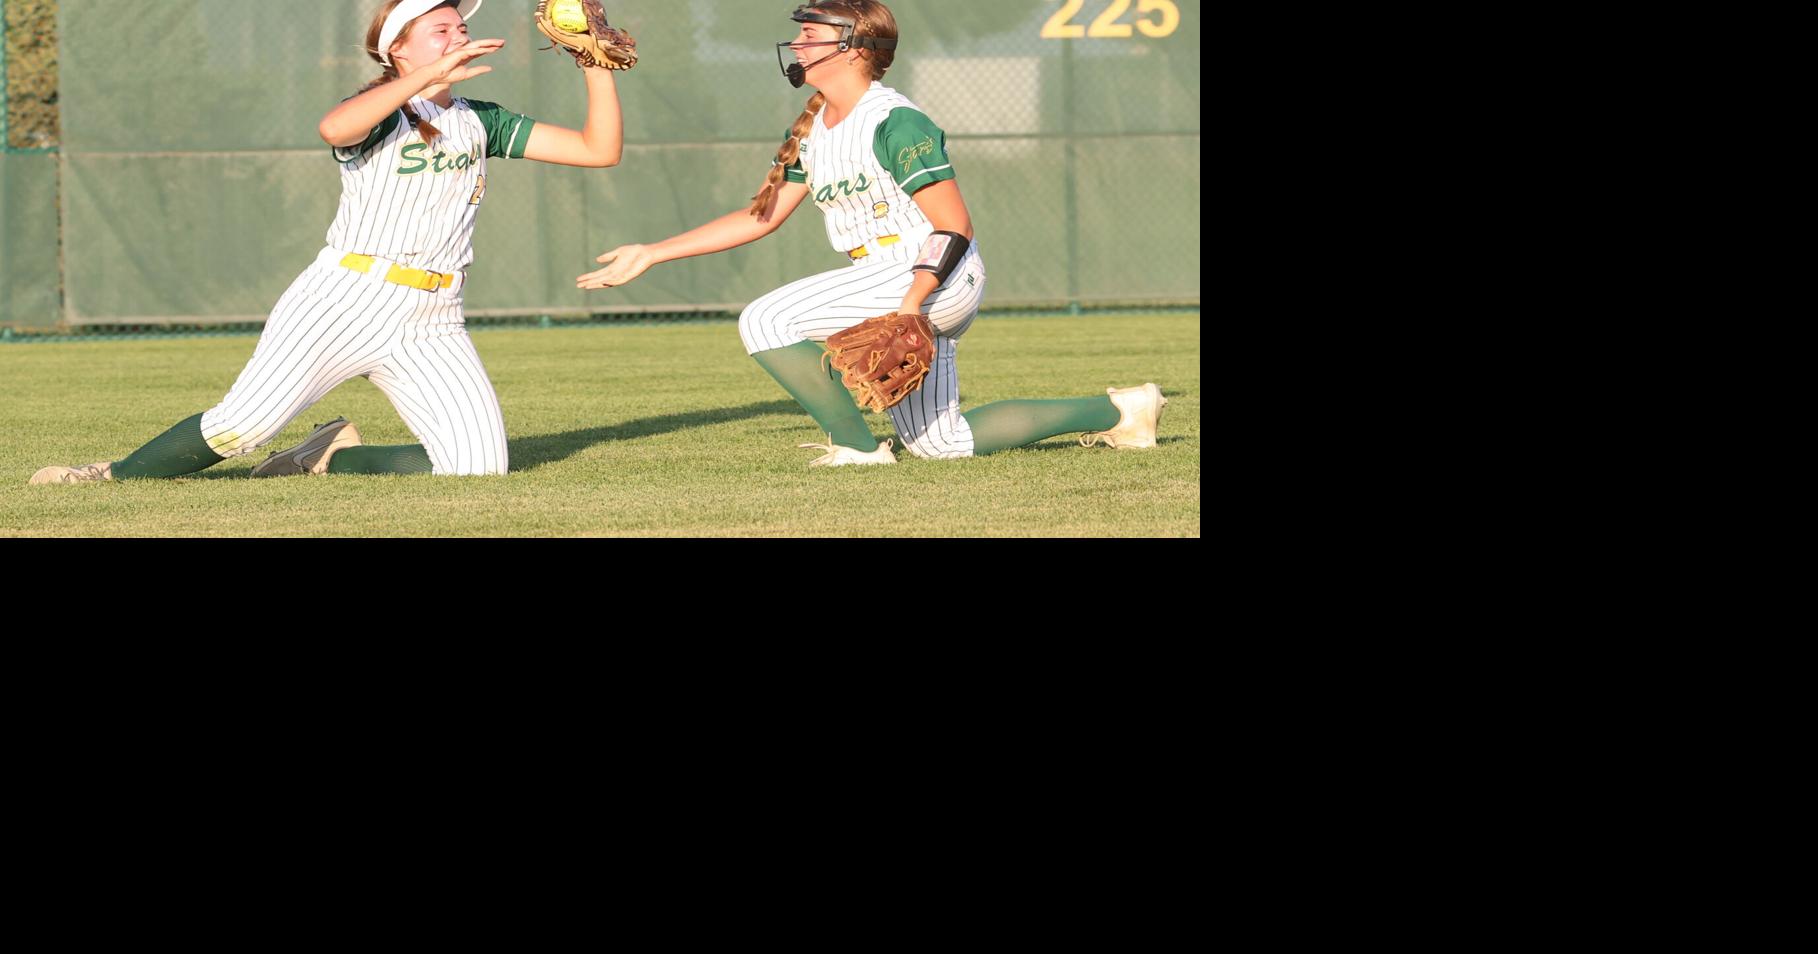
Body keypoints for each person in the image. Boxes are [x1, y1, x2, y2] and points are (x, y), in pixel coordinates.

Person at [31, 0, 625, 484]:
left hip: (434, 316)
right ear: (398, 50)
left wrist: (592, 62)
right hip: (347, 297)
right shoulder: (383, 110)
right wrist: (425, 79)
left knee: (478, 467)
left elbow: (598, 150)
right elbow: (334, 128)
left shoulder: (481, 120)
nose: (458, 36)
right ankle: (109, 475)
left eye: (460, 27)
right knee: (242, 427)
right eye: (440, 30)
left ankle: (328, 455)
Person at [576, 0, 1165, 467]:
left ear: (855, 47)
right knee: (943, 444)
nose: (798, 43)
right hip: (888, 277)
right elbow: (761, 215)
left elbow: (953, 225)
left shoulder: (894, 120)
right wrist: (653, 252)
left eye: (811, 34)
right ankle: (1122, 411)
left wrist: (911, 303)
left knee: (765, 319)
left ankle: (858, 450)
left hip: (931, 273)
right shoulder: (815, 128)